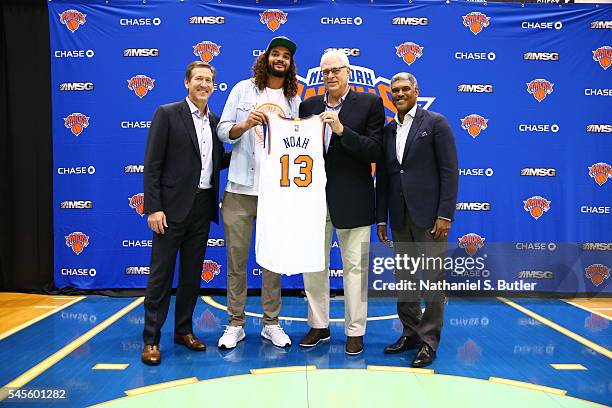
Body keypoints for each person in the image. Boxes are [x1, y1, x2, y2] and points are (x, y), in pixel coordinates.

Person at [141, 61, 229, 365]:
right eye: (199, 79)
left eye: (209, 81)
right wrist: (153, 207)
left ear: (214, 86)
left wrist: (252, 144)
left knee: (192, 276)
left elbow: (215, 160)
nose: (204, 85)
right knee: (160, 277)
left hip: (202, 208)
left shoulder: (216, 122)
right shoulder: (167, 114)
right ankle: (151, 339)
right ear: (186, 82)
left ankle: (183, 331)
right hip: (170, 209)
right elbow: (152, 165)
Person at [298, 49, 385, 355]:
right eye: (326, 72)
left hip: (355, 199)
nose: (331, 76)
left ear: (348, 72)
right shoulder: (307, 106)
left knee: (356, 269)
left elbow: (374, 151)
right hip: (314, 202)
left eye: (336, 70)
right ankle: (319, 326)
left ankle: (355, 330)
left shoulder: (370, 103)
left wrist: (341, 131)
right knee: (314, 267)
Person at [216, 36, 301, 349]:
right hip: (239, 188)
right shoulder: (242, 89)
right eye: (275, 54)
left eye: (285, 57)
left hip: (275, 193)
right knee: (236, 261)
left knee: (272, 260)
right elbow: (223, 131)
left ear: (290, 65)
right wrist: (245, 124)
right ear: (265, 58)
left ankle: (271, 323)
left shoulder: (293, 98)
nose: (280, 59)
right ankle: (235, 323)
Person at [376, 72, 458, 367]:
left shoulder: (436, 123)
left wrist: (445, 214)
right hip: (399, 218)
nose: (399, 94)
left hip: (430, 219)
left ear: (416, 90)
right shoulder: (387, 131)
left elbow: (450, 171)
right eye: (394, 90)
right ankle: (410, 333)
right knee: (405, 280)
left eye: (404, 89)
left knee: (433, 282)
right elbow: (385, 178)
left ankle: (429, 341)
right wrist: (381, 218)